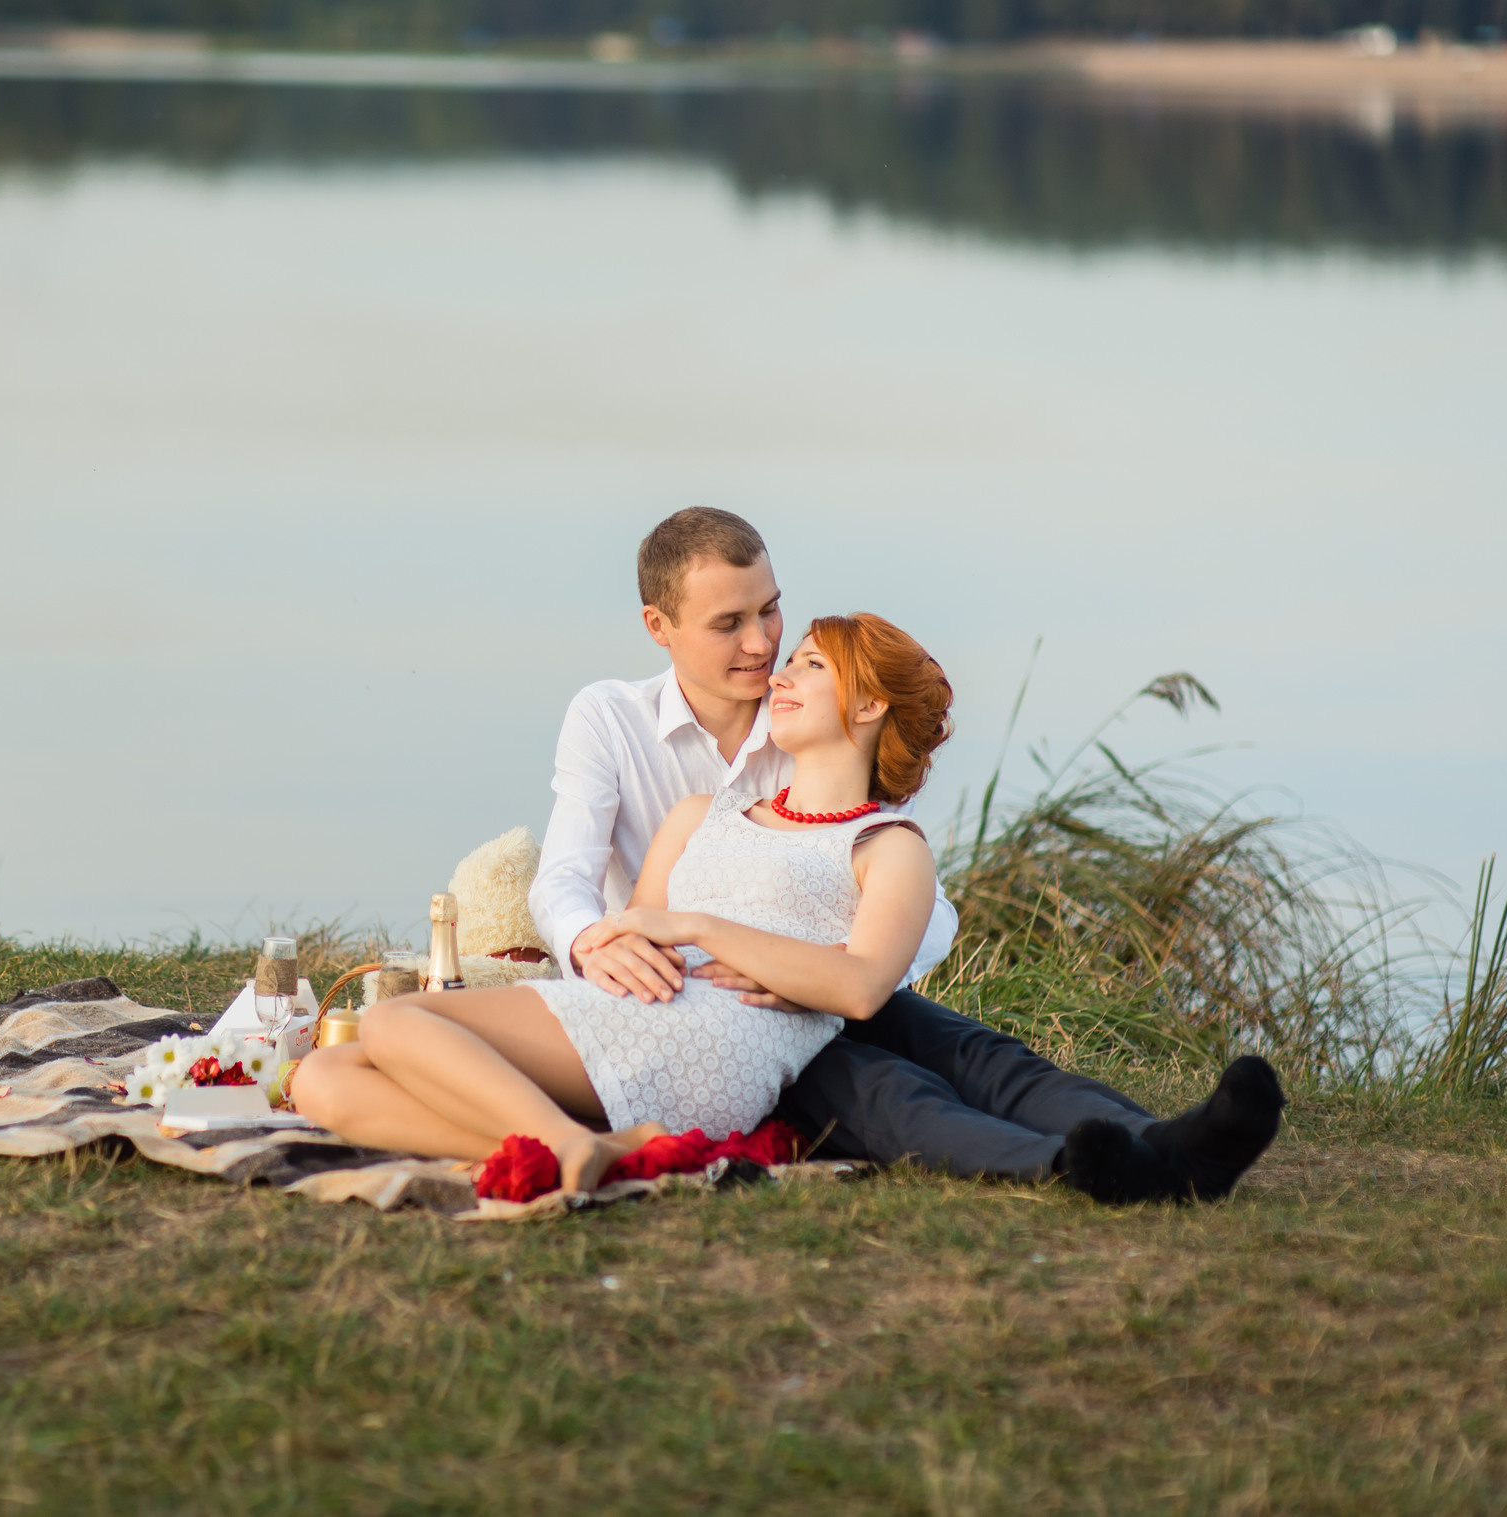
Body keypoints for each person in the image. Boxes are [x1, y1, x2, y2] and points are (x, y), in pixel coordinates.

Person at [519, 507, 1283, 1204]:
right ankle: (1075, 1163)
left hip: (821, 979)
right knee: (883, 1089)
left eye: (770, 609)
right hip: (697, 1005)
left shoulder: (810, 719)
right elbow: (566, 877)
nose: (763, 645)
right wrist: (592, 945)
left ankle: (1173, 1143)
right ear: (660, 624)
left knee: (975, 1052)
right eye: (730, 623)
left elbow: (916, 897)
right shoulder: (615, 718)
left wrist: (834, 972)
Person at [294, 610, 957, 1192]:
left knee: (393, 1023)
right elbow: (634, 937)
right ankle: (594, 1143)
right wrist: (622, 939)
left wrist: (702, 926)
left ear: (869, 704)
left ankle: (563, 1141)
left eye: (810, 664)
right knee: (322, 1078)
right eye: (791, 660)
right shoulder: (700, 814)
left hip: (724, 1043)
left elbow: (865, 985)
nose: (780, 675)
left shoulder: (888, 845)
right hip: (642, 1008)